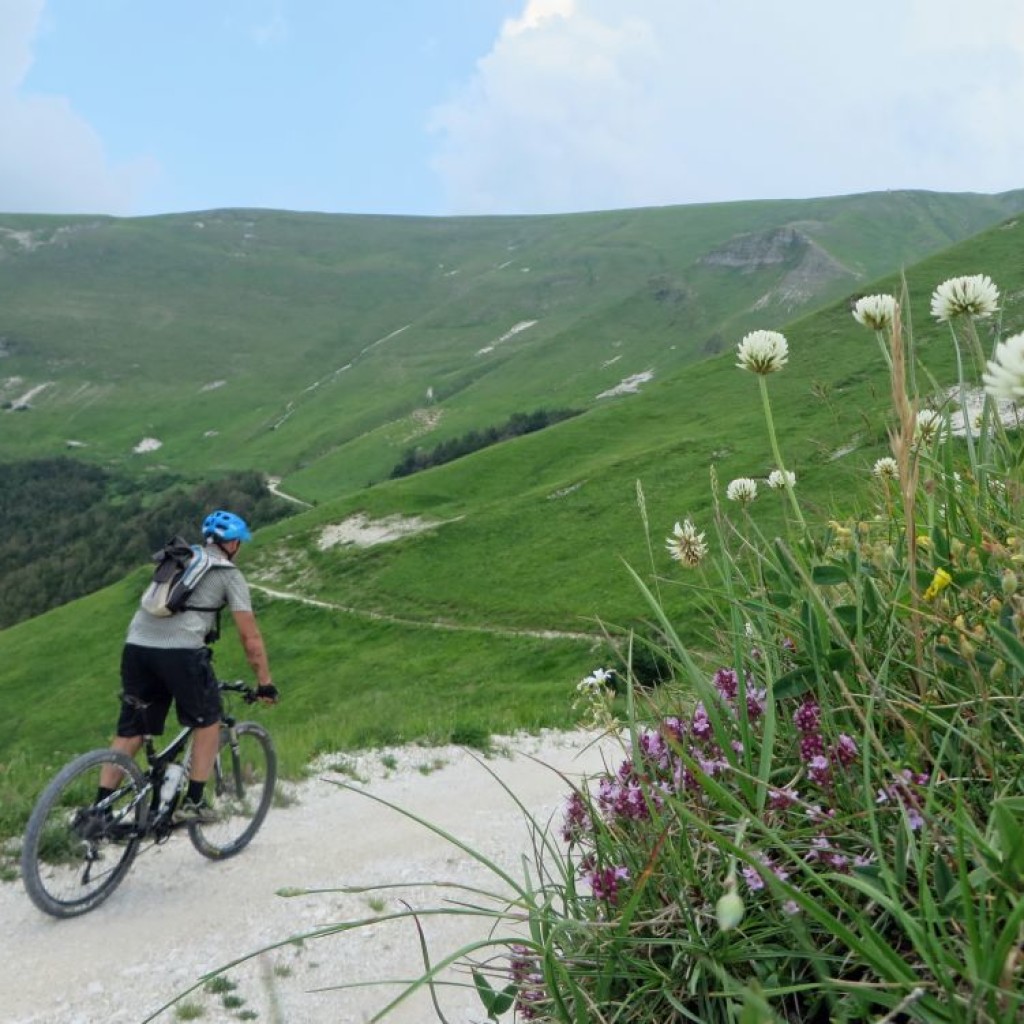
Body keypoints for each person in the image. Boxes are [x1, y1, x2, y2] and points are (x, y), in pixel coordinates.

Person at [96, 509, 278, 823]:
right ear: (233, 544)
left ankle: (97, 812)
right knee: (208, 719)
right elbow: (250, 636)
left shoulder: (178, 559)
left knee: (133, 730)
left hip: (136, 648)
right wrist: (264, 681)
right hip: (181, 654)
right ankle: (193, 802)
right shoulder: (228, 574)